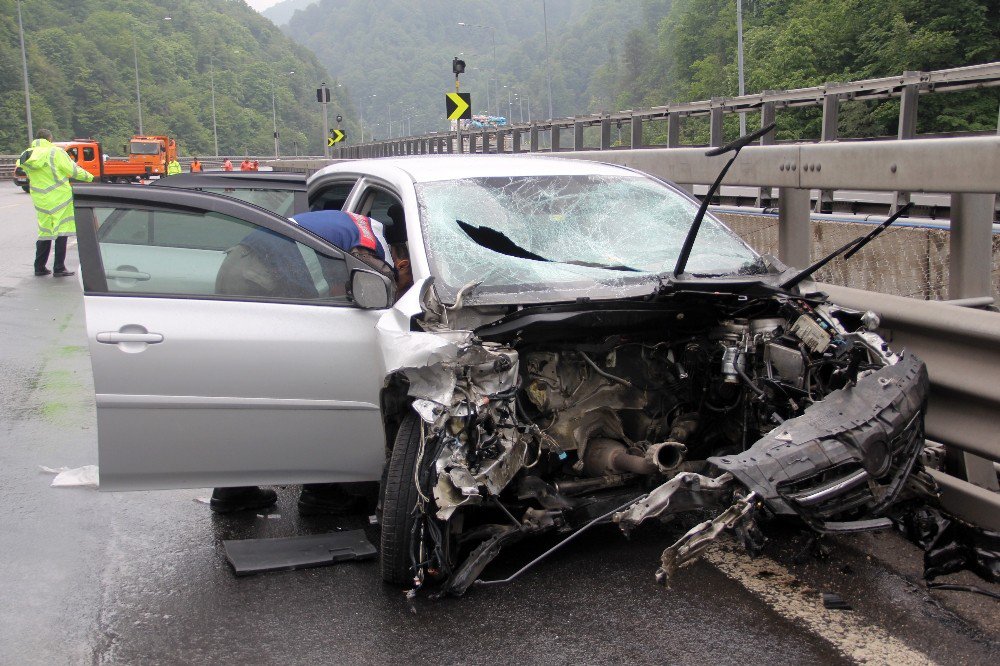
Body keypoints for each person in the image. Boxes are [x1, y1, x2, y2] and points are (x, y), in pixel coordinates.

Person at [209, 210, 401, 515]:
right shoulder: (373, 244)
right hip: (259, 277)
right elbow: (359, 293)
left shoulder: (354, 224)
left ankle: (233, 489)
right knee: (310, 385)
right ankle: (322, 492)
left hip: (239, 265)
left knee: (257, 388)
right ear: (400, 252)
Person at [19, 129, 93, 277]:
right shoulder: (55, 152)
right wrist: (90, 178)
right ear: (50, 138)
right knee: (62, 230)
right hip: (59, 197)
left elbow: (27, 174)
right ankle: (59, 267)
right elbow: (72, 170)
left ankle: (39, 267)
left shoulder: (27, 154)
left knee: (45, 231)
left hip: (40, 199)